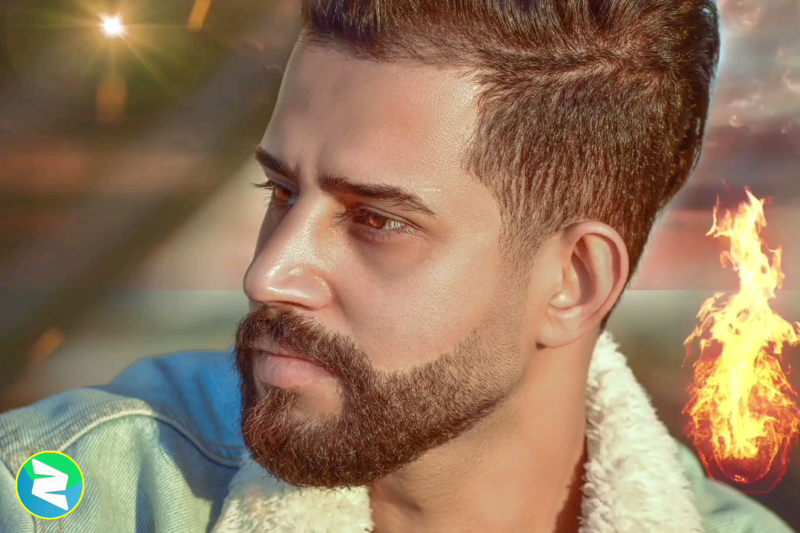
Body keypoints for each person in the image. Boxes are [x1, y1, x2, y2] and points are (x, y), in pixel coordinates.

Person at [1, 0, 795, 531]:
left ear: (575, 282)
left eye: (377, 220)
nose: (269, 274)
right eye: (281, 191)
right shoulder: (64, 493)